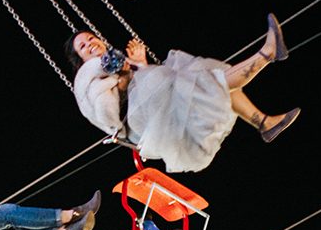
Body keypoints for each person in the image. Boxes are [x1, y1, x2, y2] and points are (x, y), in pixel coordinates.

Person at [66, 14, 300, 173]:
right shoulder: (88, 82)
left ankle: (264, 123)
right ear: (81, 60)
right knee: (202, 81)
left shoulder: (119, 62)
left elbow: (148, 80)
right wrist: (127, 76)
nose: (89, 43)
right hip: (143, 124)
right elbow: (110, 113)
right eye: (83, 47)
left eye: (90, 38)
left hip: (157, 107)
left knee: (207, 73)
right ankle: (268, 54)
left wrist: (139, 63)